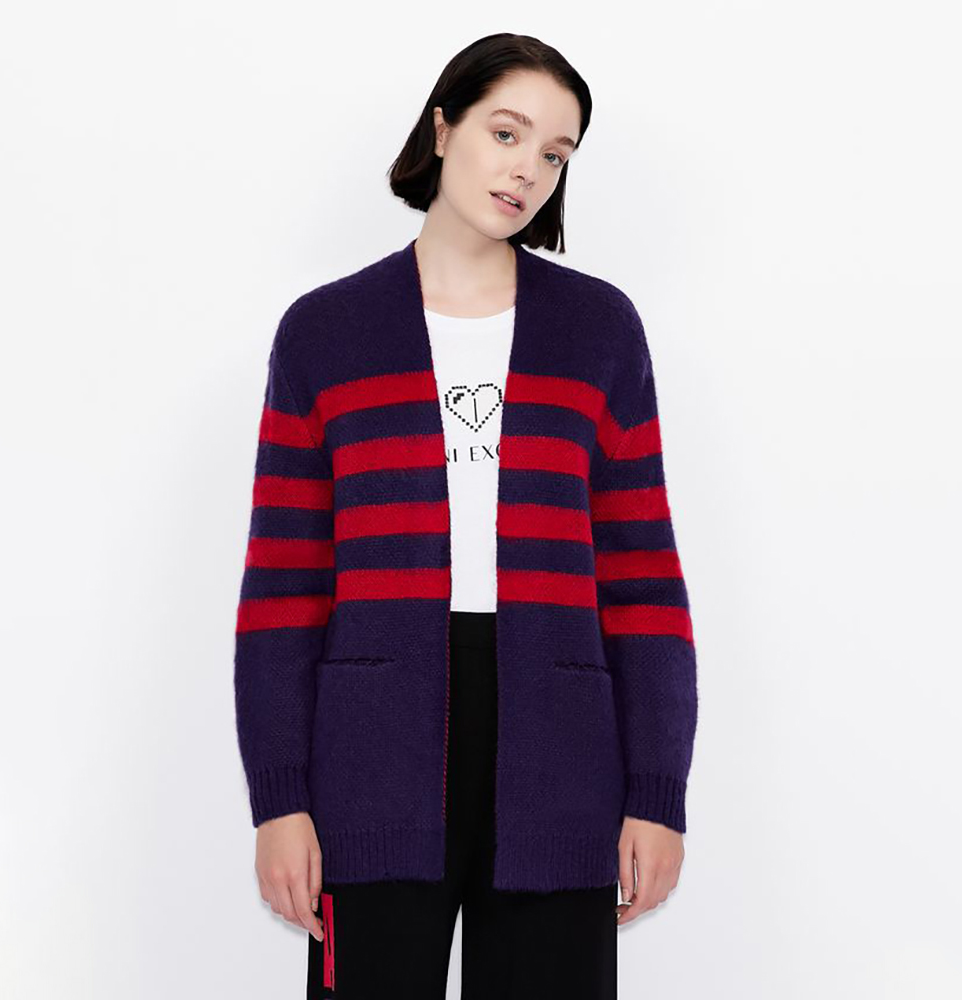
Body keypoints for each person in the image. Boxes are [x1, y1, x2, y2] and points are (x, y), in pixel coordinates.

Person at [233, 32, 698, 999]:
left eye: (555, 154)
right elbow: (282, 587)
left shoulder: (599, 331)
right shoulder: (326, 333)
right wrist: (279, 799)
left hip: (562, 756)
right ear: (443, 129)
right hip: (369, 758)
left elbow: (644, 579)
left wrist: (658, 793)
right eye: (507, 133)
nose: (528, 170)